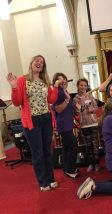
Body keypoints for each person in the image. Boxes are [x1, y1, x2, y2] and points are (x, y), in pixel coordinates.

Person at [6, 55, 60, 191]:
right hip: (32, 121)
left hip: (46, 119)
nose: (39, 63)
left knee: (47, 151)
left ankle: (51, 178)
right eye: (37, 60)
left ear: (43, 66)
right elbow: (17, 102)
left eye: (41, 62)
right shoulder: (23, 80)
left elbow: (52, 100)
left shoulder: (44, 81)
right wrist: (14, 87)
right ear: (31, 63)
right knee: (38, 152)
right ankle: (43, 182)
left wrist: (56, 88)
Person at [53, 73, 79, 178]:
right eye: (59, 80)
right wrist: (67, 100)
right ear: (56, 83)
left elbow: (71, 108)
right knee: (73, 144)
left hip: (67, 123)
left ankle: (67, 168)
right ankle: (70, 169)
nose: (63, 81)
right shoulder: (58, 93)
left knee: (66, 146)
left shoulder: (64, 91)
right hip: (63, 124)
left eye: (64, 78)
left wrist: (76, 108)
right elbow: (58, 109)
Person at [73, 78, 100, 172]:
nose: (83, 87)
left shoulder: (90, 96)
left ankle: (97, 163)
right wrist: (78, 109)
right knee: (88, 145)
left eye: (85, 85)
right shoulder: (75, 99)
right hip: (83, 124)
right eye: (81, 85)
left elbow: (96, 108)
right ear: (77, 86)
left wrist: (92, 109)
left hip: (93, 123)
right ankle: (91, 163)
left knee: (95, 144)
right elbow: (76, 113)